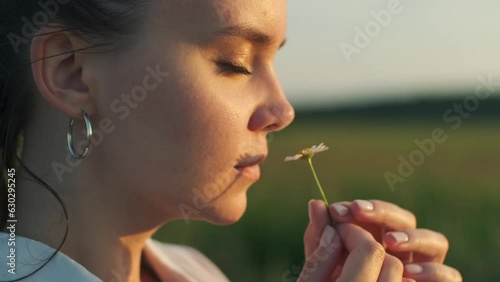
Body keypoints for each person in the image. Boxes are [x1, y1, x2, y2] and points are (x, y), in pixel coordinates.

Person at [0, 1, 462, 281]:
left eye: (275, 61)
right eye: (236, 63)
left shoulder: (198, 271)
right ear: (71, 72)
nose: (283, 111)